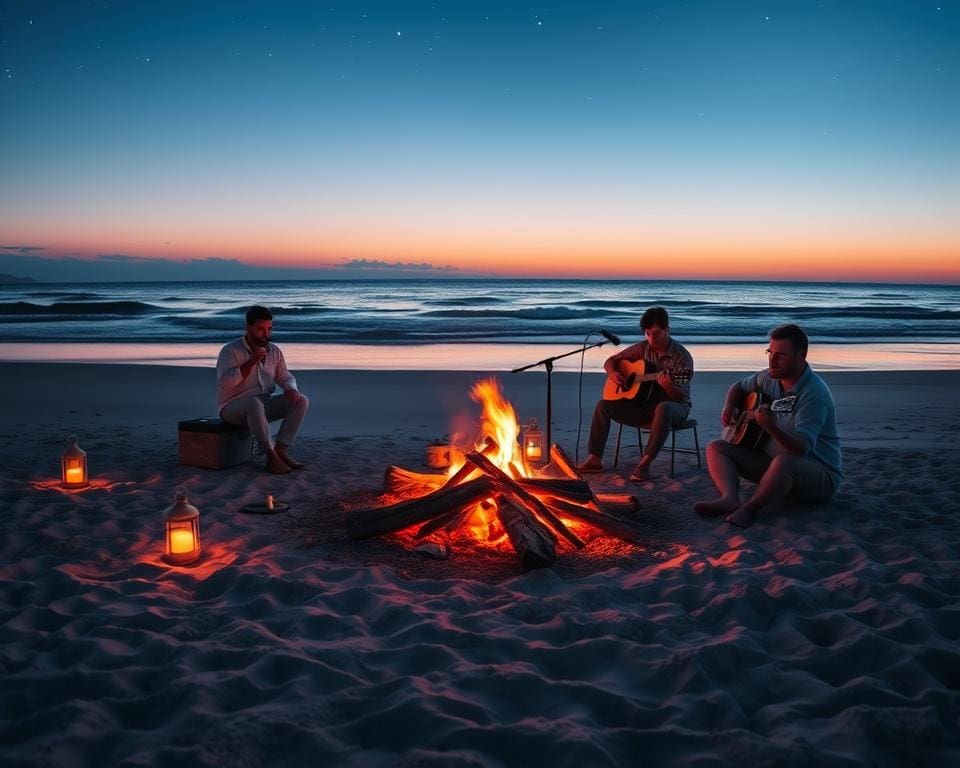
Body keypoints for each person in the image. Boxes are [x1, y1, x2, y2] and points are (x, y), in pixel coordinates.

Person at [694, 323, 842, 528]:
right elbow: (737, 387)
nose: (772, 360)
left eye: (780, 355)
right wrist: (730, 405)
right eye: (769, 352)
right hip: (772, 463)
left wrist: (771, 427)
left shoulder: (814, 394)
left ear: (801, 356)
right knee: (716, 448)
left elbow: (802, 448)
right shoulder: (769, 378)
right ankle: (730, 498)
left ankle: (749, 509)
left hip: (819, 475)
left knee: (785, 462)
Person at [578, 306, 694, 481]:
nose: (651, 338)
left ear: (667, 330)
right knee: (603, 405)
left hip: (676, 408)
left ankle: (644, 464)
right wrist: (613, 374)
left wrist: (668, 385)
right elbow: (611, 361)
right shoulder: (641, 349)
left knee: (663, 408)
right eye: (647, 334)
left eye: (655, 334)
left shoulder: (681, 357)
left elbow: (680, 397)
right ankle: (594, 459)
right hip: (644, 407)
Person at [217, 305, 309, 474]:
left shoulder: (274, 351)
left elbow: (284, 376)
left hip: (261, 405)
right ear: (248, 328)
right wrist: (251, 361)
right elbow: (226, 384)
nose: (266, 334)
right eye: (261, 329)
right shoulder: (230, 351)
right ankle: (270, 455)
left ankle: (280, 450)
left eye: (269, 329)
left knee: (300, 400)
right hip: (232, 408)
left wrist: (290, 389)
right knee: (254, 403)